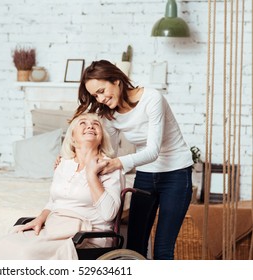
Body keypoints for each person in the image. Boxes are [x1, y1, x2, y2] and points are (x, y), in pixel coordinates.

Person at [72, 59, 193, 260]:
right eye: (95, 95)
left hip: (176, 174)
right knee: (135, 245)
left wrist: (118, 163)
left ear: (117, 81)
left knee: (162, 248)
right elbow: (107, 151)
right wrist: (70, 159)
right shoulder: (110, 113)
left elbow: (153, 151)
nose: (100, 99)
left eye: (101, 91)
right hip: (145, 174)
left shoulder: (152, 98)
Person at [0, 113, 123, 260]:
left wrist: (92, 175)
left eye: (96, 124)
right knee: (4, 244)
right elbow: (53, 201)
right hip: (56, 227)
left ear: (102, 138)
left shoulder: (110, 166)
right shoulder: (63, 164)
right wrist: (40, 218)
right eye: (83, 123)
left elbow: (109, 213)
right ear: (72, 138)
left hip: (87, 235)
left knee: (27, 253)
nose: (90, 125)